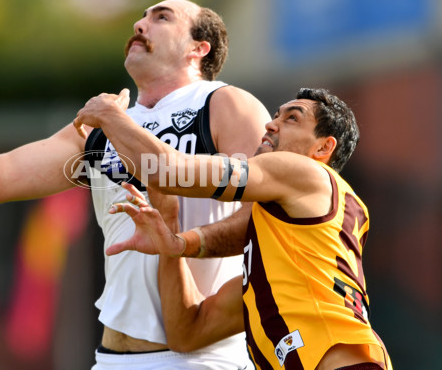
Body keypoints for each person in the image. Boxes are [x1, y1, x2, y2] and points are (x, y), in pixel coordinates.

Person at [0, 0, 271, 369]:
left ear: (199, 48)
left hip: (200, 357)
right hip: (111, 359)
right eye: (142, 15)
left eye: (161, 17)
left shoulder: (226, 104)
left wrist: (181, 243)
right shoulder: (102, 122)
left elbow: (263, 223)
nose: (140, 24)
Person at [73, 88, 394, 369]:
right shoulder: (288, 253)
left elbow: (169, 170)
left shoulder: (303, 171)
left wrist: (112, 116)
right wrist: (174, 241)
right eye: (276, 115)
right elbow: (188, 332)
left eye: (292, 118)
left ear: (323, 149)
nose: (271, 124)